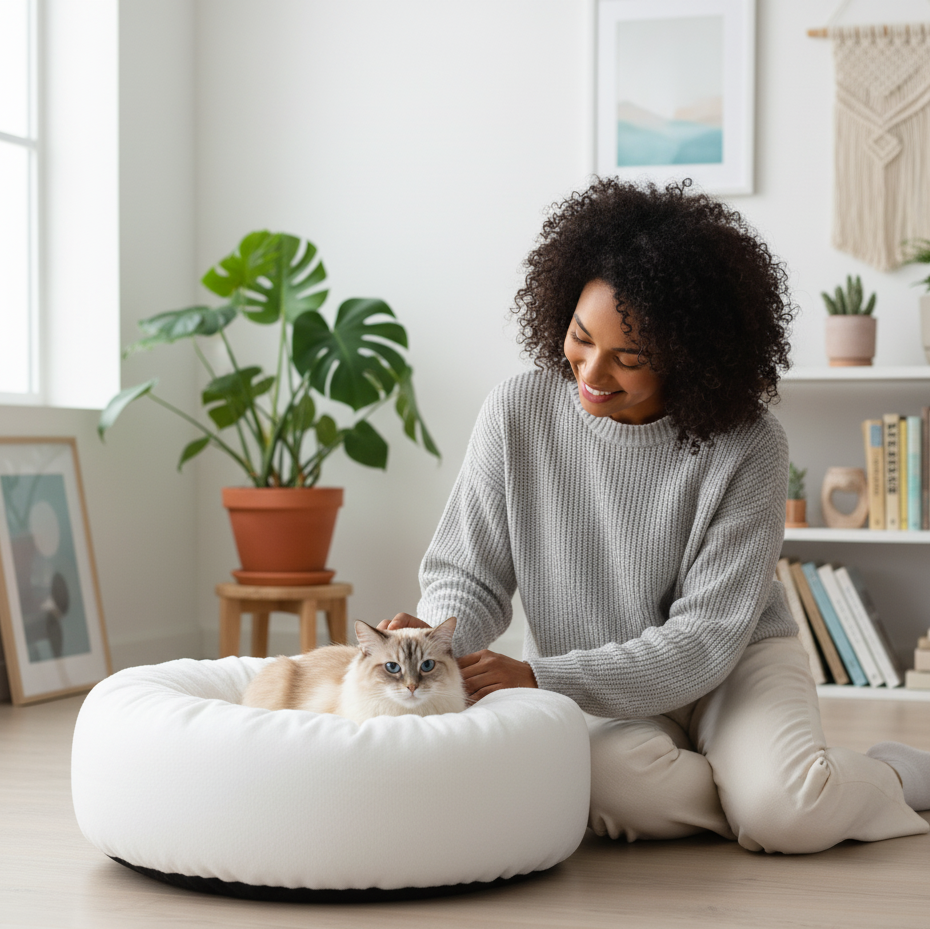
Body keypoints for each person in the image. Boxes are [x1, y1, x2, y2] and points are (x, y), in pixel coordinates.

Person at [378, 177, 930, 854]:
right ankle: (755, 787)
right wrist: (438, 640)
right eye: (580, 337)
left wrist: (540, 677)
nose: (591, 371)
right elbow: (470, 574)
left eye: (630, 358)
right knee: (613, 784)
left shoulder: (749, 444)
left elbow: (705, 639)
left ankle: (889, 775)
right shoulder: (516, 413)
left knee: (788, 815)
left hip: (733, 663)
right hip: (594, 674)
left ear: (691, 358)